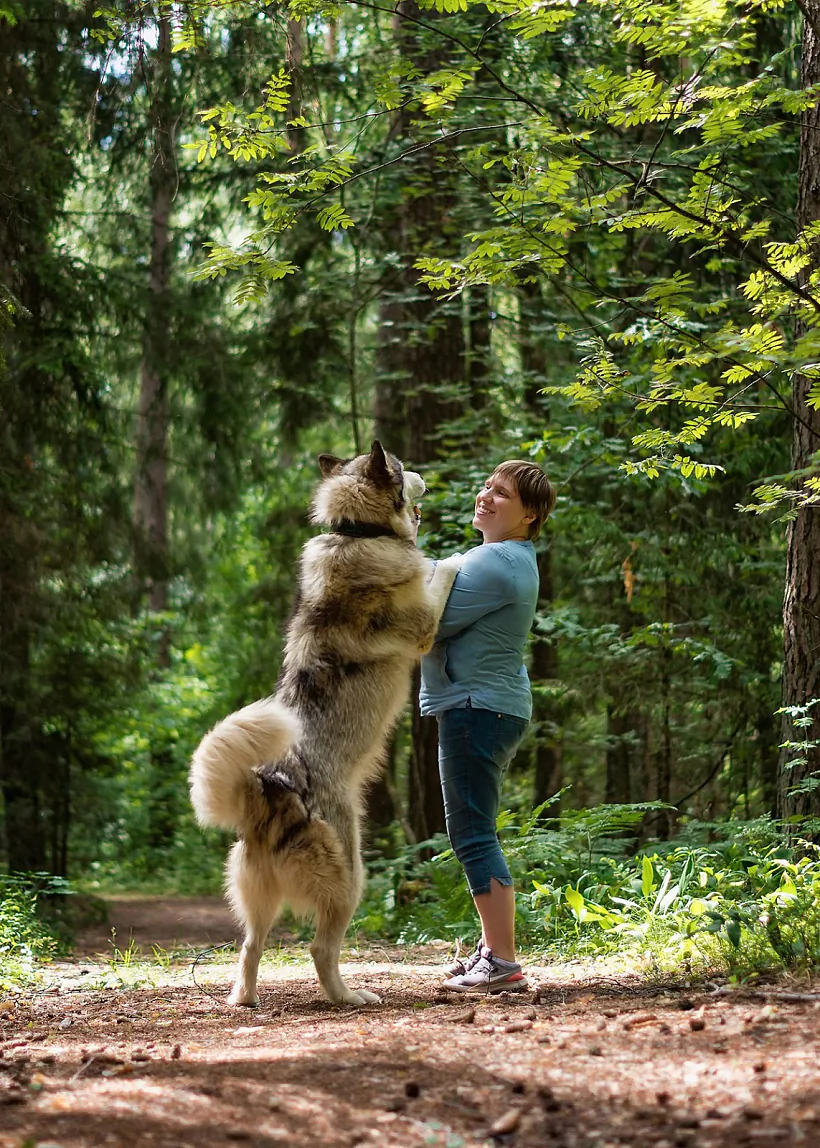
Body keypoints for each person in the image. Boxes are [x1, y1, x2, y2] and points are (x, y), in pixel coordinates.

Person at [419, 460, 556, 993]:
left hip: (479, 708)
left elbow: (424, 618)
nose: (486, 497)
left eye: (502, 494)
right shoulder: (501, 557)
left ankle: (502, 962)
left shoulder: (499, 562)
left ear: (530, 515)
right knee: (473, 829)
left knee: (472, 832)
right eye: (487, 487)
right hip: (483, 705)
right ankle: (491, 950)